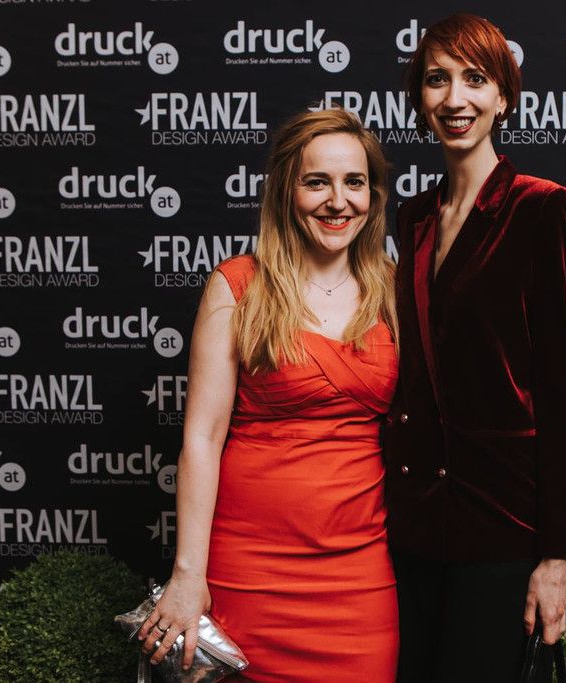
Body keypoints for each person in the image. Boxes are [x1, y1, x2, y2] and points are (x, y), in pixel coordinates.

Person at [137, 108, 400, 682]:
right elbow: (202, 438)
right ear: (286, 190)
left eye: (354, 183)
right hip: (248, 569)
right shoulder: (238, 284)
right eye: (317, 182)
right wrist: (188, 574)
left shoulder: (395, 290)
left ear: (373, 195)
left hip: (358, 574)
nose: (338, 201)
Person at [382, 13, 566, 682]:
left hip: (501, 526)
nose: (454, 98)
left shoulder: (541, 209)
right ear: (420, 99)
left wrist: (555, 557)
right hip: (413, 526)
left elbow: (560, 391)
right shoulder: (414, 216)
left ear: (503, 96)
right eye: (437, 79)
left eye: (474, 78)